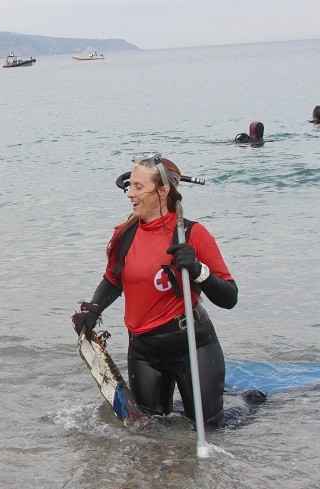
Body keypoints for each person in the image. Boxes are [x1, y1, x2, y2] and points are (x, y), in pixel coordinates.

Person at [71, 152, 238, 427]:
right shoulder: (124, 235)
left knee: (210, 427)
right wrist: (94, 309)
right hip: (144, 352)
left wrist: (198, 271)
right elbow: (114, 281)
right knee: (148, 432)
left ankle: (249, 403)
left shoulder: (192, 234)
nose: (130, 194)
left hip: (192, 346)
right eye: (130, 186)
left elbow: (229, 298)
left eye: (139, 187)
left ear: (163, 190)